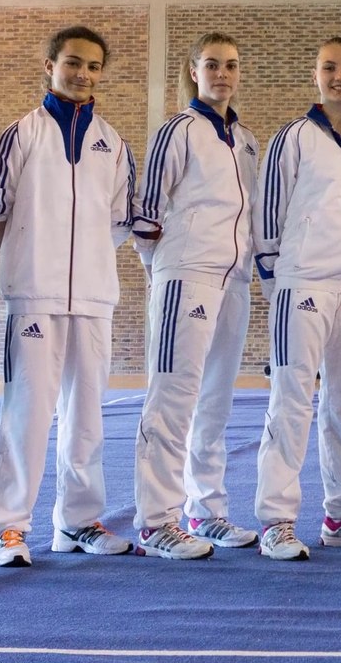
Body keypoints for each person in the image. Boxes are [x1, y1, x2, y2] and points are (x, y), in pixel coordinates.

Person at [0, 26, 137, 567]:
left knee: (87, 415)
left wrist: (83, 263)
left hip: (94, 298)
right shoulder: (21, 135)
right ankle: (8, 527)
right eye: (72, 62)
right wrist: (34, 258)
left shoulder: (114, 143)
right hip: (34, 297)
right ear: (49, 65)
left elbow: (117, 222)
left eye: (93, 66)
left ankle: (77, 521)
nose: (82, 74)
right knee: (26, 414)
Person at [251, 37, 341, 560]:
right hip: (302, 286)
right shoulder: (291, 138)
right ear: (315, 74)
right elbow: (267, 217)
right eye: (330, 68)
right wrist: (277, 284)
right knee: (292, 401)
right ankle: (276, 519)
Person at [129, 32, 260, 560]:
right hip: (186, 276)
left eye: (231, 64)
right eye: (212, 64)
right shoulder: (176, 131)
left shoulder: (246, 140)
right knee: (172, 399)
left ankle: (205, 511)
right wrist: (167, 268)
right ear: (193, 70)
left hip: (234, 280)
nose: (222, 73)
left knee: (215, 401)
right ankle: (155, 520)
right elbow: (146, 215)